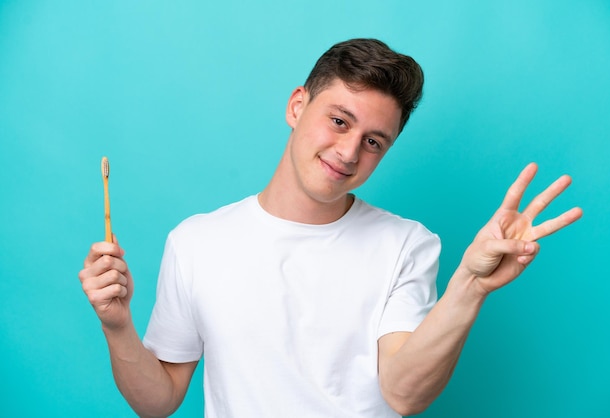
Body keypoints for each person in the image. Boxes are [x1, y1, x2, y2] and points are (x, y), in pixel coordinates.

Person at [79, 38, 582, 417]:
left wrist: (470, 286)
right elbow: (159, 399)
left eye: (373, 142)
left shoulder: (407, 244)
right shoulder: (195, 241)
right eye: (339, 121)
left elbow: (404, 392)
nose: (348, 152)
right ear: (298, 106)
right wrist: (118, 325)